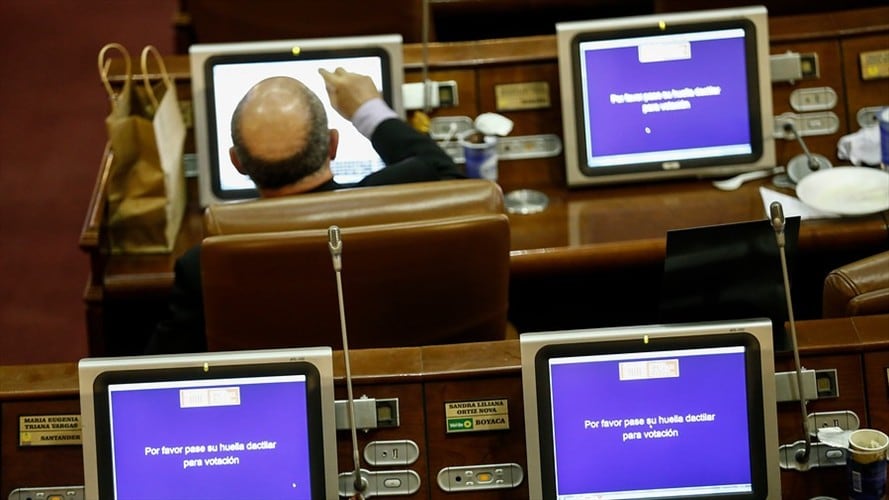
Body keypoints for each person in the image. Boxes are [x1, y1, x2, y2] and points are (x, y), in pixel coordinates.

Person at [145, 68, 463, 354]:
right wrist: (368, 111)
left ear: (237, 163)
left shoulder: (205, 264)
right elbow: (456, 183)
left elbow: (161, 371)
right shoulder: (408, 203)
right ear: (333, 145)